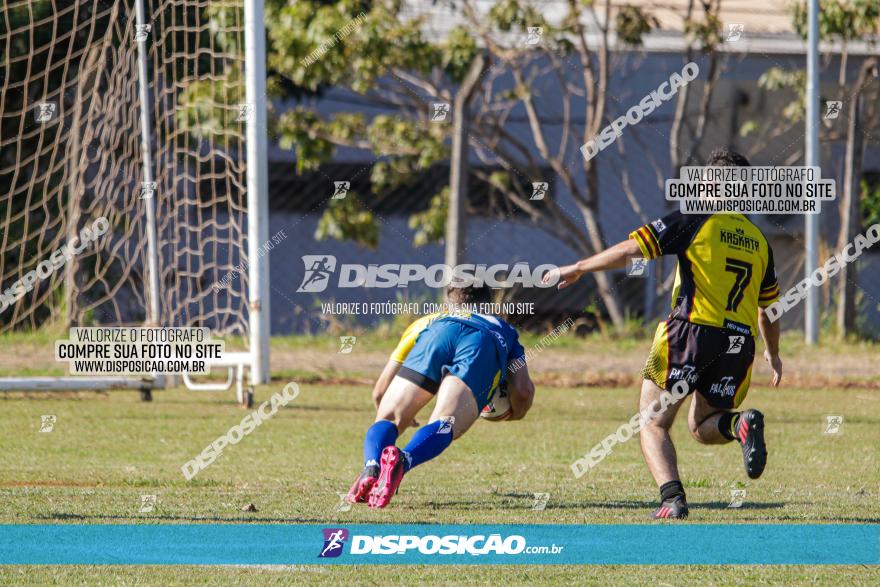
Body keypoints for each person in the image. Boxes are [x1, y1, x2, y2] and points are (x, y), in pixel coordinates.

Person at [543, 148, 783, 519]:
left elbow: (631, 250)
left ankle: (672, 498)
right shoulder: (758, 240)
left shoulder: (695, 219)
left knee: (652, 422)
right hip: (739, 345)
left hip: (689, 334)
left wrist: (579, 267)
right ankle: (740, 423)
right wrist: (774, 352)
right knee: (703, 427)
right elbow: (769, 308)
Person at [347, 281, 536, 508]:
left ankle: (372, 466)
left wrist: (390, 423)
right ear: (488, 304)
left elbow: (380, 391)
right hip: (482, 341)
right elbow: (523, 391)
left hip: (437, 335)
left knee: (388, 418)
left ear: (448, 303)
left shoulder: (427, 321)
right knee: (445, 423)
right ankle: (403, 461)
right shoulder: (504, 329)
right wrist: (515, 412)